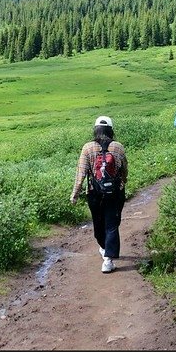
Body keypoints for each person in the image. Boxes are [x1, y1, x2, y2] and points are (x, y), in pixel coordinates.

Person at [71, 115, 128, 273]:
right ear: (111, 130)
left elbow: (81, 173)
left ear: (95, 130)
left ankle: (104, 248)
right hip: (115, 192)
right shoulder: (118, 147)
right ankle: (108, 260)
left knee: (98, 223)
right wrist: (122, 184)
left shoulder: (87, 147)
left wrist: (75, 194)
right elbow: (124, 171)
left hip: (94, 193)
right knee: (112, 223)